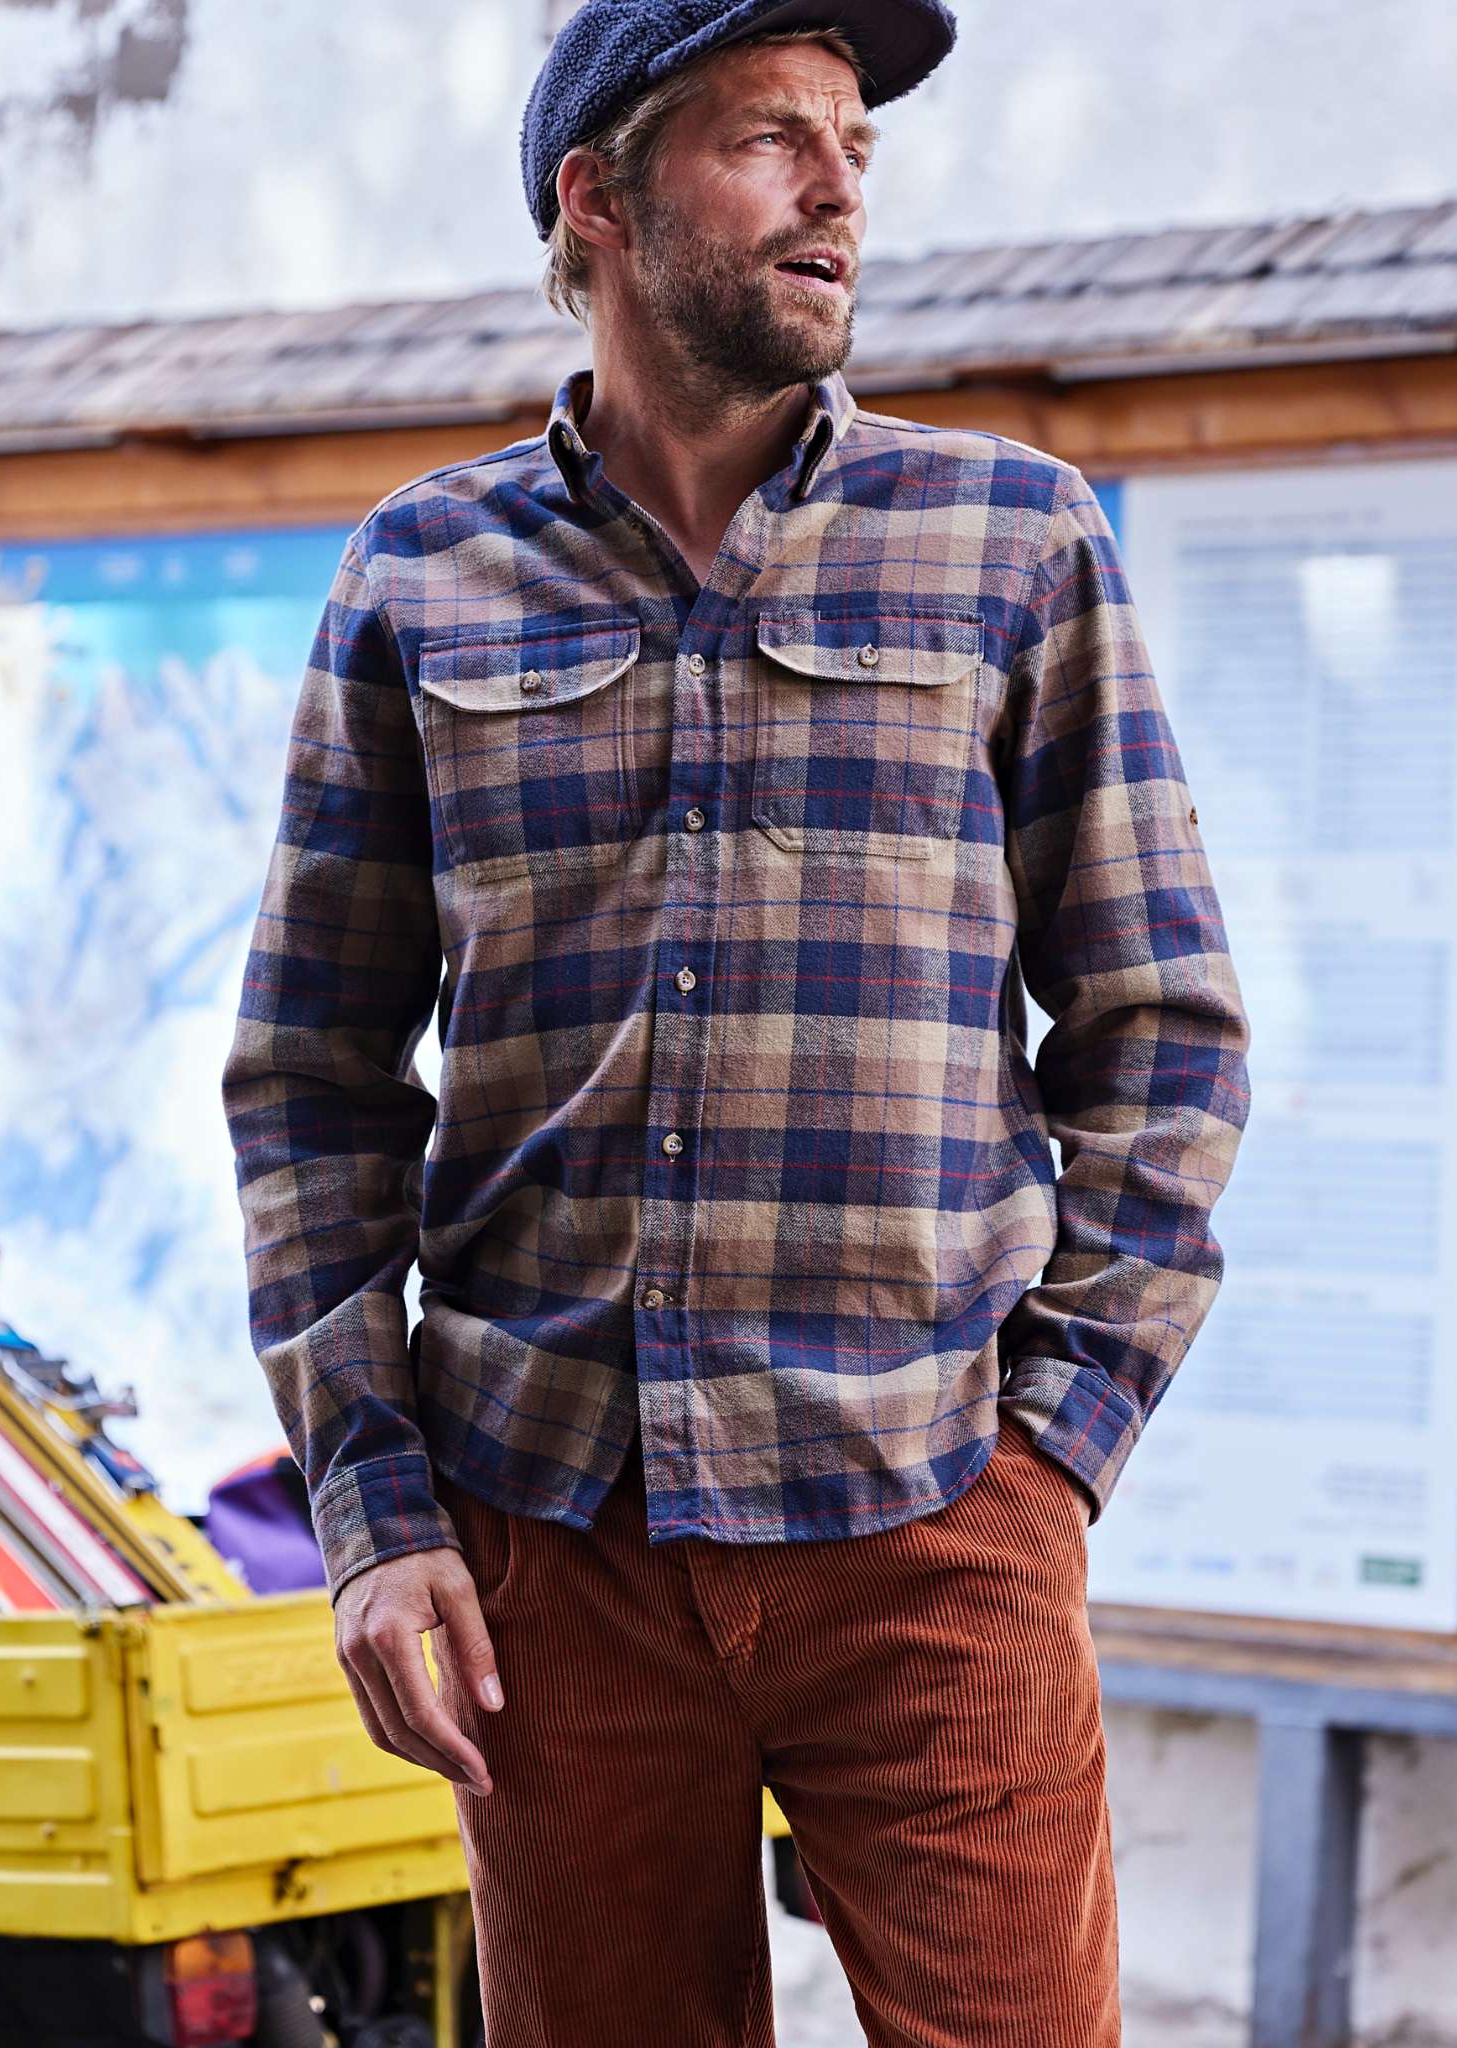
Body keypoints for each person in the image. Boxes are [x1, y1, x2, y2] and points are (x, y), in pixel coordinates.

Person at [221, 1, 1247, 2038]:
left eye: (856, 143)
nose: (839, 186)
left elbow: (1163, 1027)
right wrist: (374, 1512)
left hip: (932, 1523)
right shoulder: (420, 578)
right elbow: (311, 1080)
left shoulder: (1013, 540)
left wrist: (1053, 1456)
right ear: (599, 197)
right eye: (774, 135)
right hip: (552, 1548)